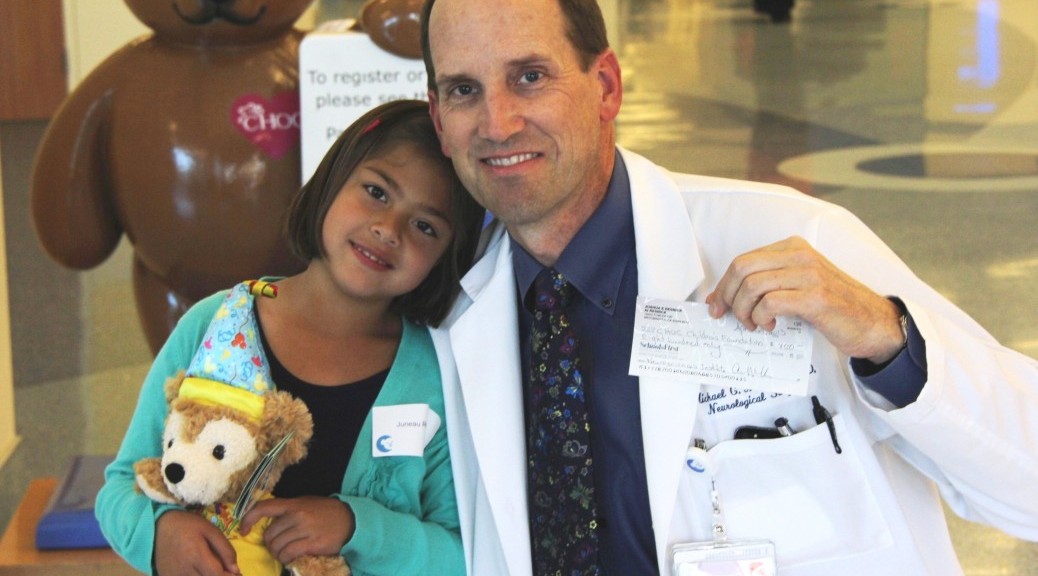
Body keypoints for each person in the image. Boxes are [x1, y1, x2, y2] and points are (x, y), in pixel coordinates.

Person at [418, 0, 1038, 575]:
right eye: (464, 90)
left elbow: (1026, 486)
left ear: (605, 86)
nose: (497, 123)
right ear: (440, 122)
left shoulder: (791, 237)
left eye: (529, 76)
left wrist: (884, 339)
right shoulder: (445, 309)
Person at [96, 99, 485, 576]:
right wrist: (159, 534)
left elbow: (462, 553)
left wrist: (356, 526)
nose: (388, 229)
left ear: (447, 256)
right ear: (330, 182)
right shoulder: (210, 324)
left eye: (425, 226)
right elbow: (120, 487)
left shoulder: (436, 376)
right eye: (376, 192)